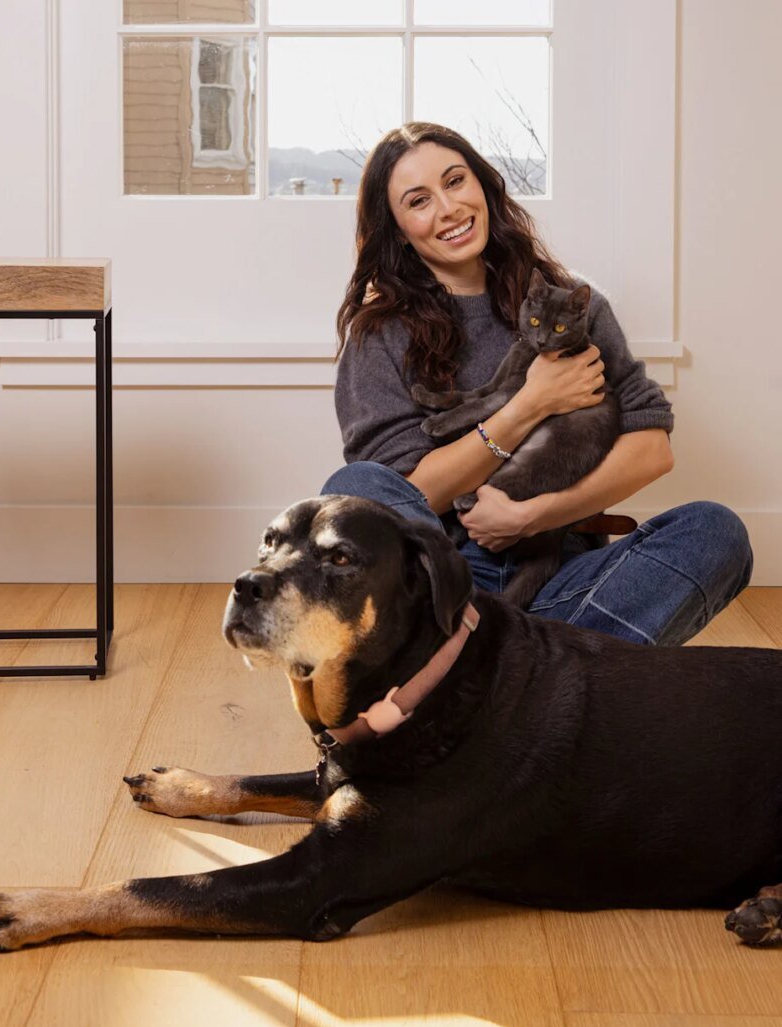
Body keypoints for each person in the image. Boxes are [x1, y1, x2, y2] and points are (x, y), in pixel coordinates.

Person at [321, 122, 752, 646]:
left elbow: (652, 449)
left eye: (455, 181)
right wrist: (528, 404)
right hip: (439, 582)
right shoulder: (380, 334)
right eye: (419, 201)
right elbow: (400, 495)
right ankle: (546, 660)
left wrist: (532, 516)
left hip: (556, 575)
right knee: (356, 485)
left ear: (482, 186)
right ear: (397, 229)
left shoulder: (570, 301)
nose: (448, 208)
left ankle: (484, 661)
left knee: (715, 531)